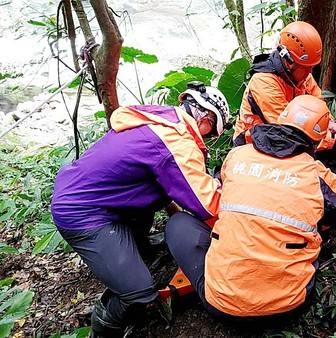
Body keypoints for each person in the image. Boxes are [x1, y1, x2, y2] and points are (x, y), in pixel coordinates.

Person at [50, 81, 230, 337]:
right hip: (82, 212)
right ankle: (102, 329)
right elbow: (206, 203)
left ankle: (138, 247)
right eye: (212, 133)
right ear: (206, 118)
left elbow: (169, 184)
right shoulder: (175, 142)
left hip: (86, 191)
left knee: (154, 192)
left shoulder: (159, 119)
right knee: (139, 292)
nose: (209, 139)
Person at [166, 95, 336, 327]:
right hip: (288, 306)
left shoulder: (237, 156)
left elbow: (218, 192)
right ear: (320, 141)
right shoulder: (319, 175)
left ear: (281, 120)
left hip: (222, 307)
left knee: (178, 224)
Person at [233, 20, 336, 150]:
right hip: (252, 145)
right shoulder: (264, 83)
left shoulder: (303, 75)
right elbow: (287, 130)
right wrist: (334, 140)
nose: (309, 72)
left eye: (311, 67)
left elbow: (318, 103)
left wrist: (328, 122)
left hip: (282, 141)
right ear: (289, 61)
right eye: (306, 68)